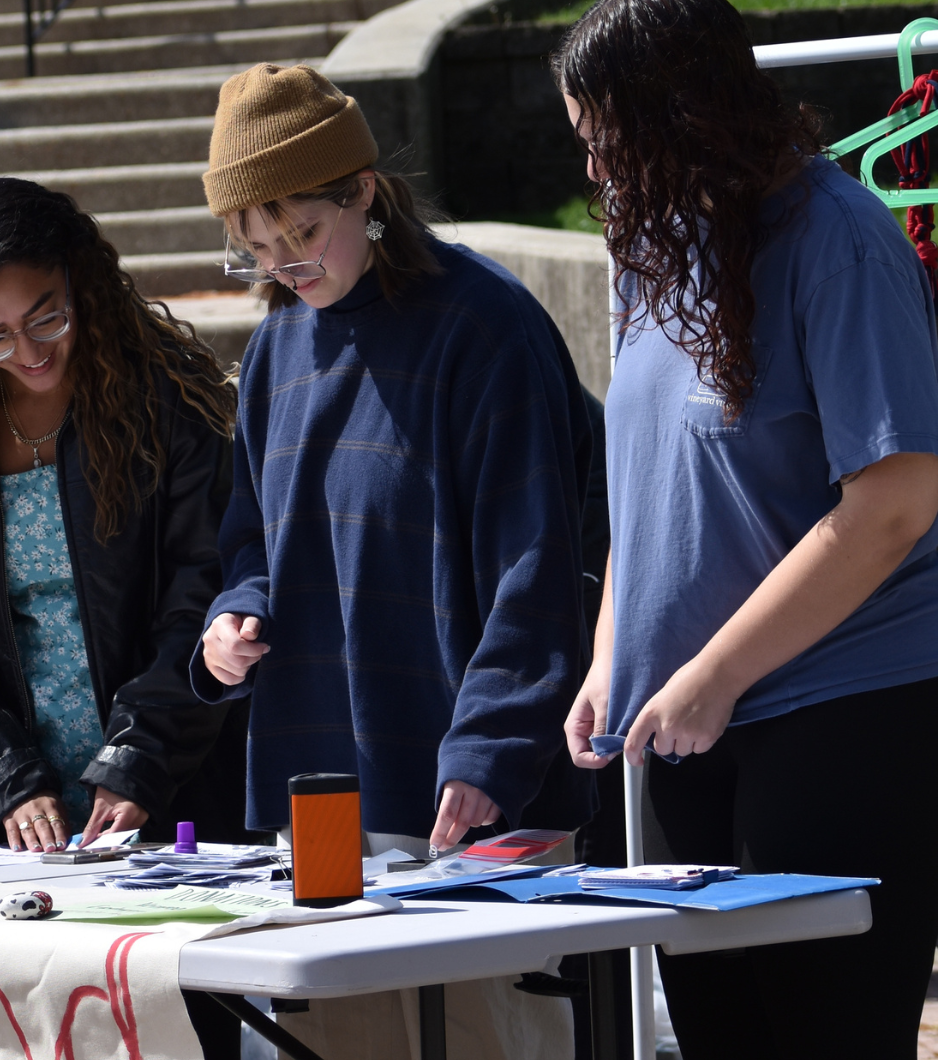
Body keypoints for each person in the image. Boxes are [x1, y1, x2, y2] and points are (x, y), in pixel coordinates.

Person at [555, 2, 938, 1057]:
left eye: (608, 144)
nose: (596, 174)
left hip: (838, 706)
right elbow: (646, 486)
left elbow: (893, 503)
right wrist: (610, 654)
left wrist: (716, 671)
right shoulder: (654, 238)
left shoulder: (839, 239)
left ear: (689, 117)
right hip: (682, 720)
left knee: (823, 1034)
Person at [191, 64, 594, 1059]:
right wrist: (235, 613)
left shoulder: (486, 327)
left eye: (300, 232)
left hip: (467, 793)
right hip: (317, 787)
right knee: (343, 1041)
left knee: (484, 1037)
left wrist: (493, 745)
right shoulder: (278, 345)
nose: (284, 263)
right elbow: (250, 531)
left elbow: (540, 555)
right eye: (257, 246)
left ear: (362, 190)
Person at [0, 176, 248, 858]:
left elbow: (201, 594)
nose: (27, 352)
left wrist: (140, 759)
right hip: (23, 818)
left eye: (47, 318)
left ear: (81, 281)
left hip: (180, 792)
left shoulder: (169, 406)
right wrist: (4, 776)